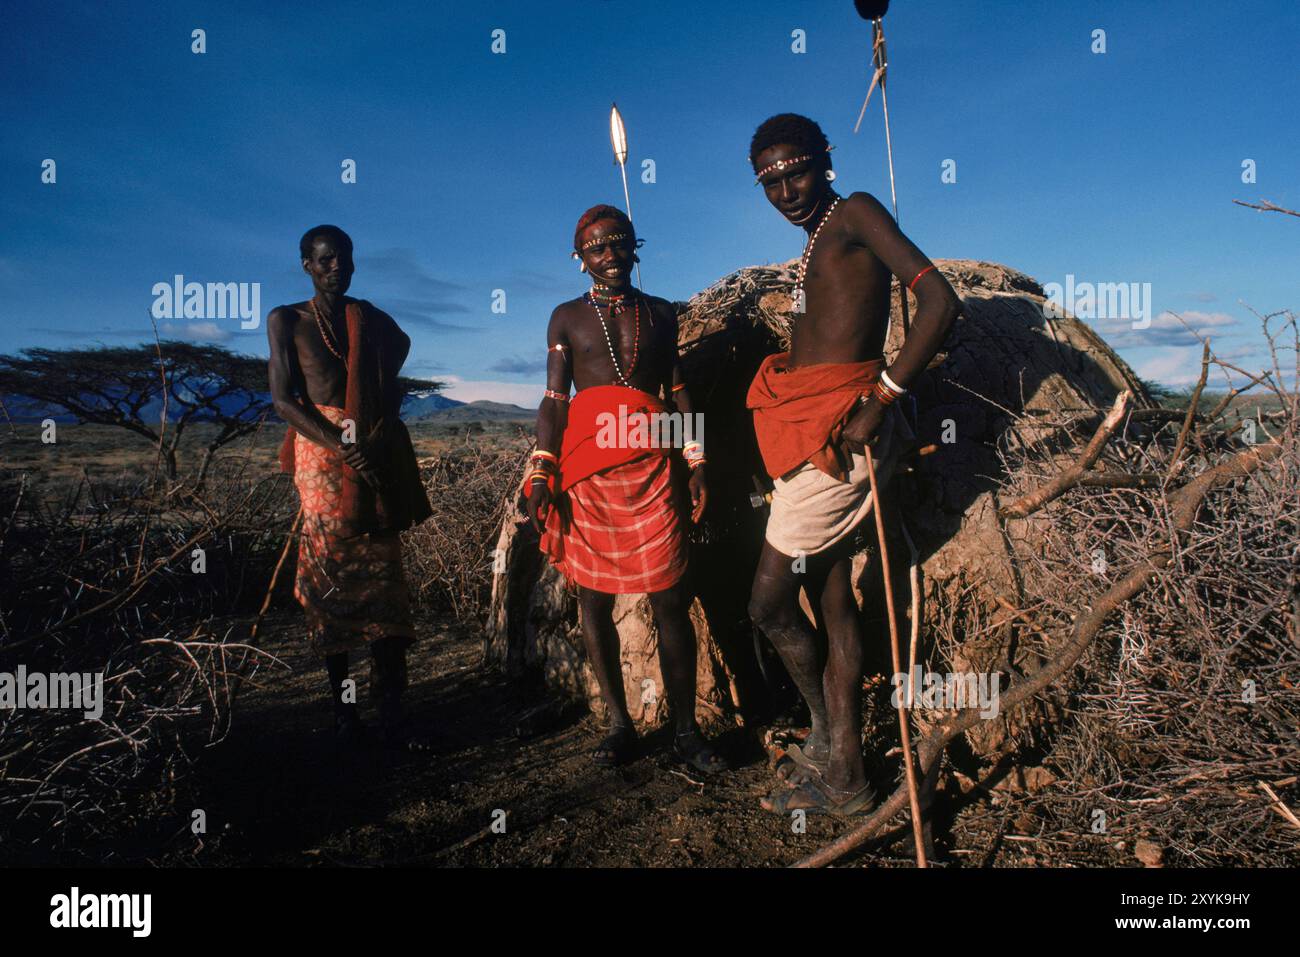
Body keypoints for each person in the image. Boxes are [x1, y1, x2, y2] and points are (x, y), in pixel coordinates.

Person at [744, 115, 960, 814]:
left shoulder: (856, 211)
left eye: (797, 169)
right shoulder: (816, 241)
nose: (786, 189)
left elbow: (940, 300)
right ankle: (845, 773)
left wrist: (886, 394)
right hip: (812, 429)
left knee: (768, 603)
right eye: (769, 180)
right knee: (835, 606)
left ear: (826, 159)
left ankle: (829, 742)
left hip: (838, 442)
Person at [526, 205, 726, 774]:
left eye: (617, 244)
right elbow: (555, 400)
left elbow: (679, 389)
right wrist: (542, 470)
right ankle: (620, 724)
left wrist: (697, 460)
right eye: (595, 248)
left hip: (653, 465)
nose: (608, 256)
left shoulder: (661, 313)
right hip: (587, 468)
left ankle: (686, 731)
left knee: (670, 598)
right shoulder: (565, 317)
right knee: (593, 596)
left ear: (636, 246)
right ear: (579, 258)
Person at [266, 224, 433, 752]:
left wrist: (374, 432)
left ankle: (392, 707)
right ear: (306, 265)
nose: (336, 267)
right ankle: (344, 713)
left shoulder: (373, 321)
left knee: (384, 576)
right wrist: (340, 443)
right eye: (324, 260)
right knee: (330, 578)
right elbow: (285, 400)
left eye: (343, 258)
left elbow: (395, 371)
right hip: (320, 454)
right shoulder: (286, 320)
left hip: (374, 449)